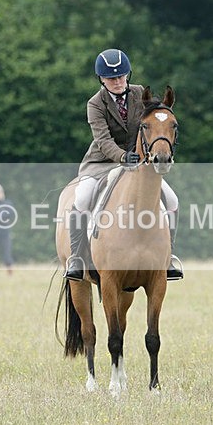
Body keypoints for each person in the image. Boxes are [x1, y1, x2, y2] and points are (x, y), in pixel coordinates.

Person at [63, 48, 183, 281]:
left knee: (172, 200)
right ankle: (77, 258)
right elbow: (103, 140)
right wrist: (121, 157)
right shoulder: (95, 104)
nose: (117, 82)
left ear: (127, 75)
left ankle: (168, 257)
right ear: (101, 79)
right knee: (82, 197)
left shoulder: (139, 93)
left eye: (120, 76)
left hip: (139, 162)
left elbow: (155, 121)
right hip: (102, 162)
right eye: (111, 78)